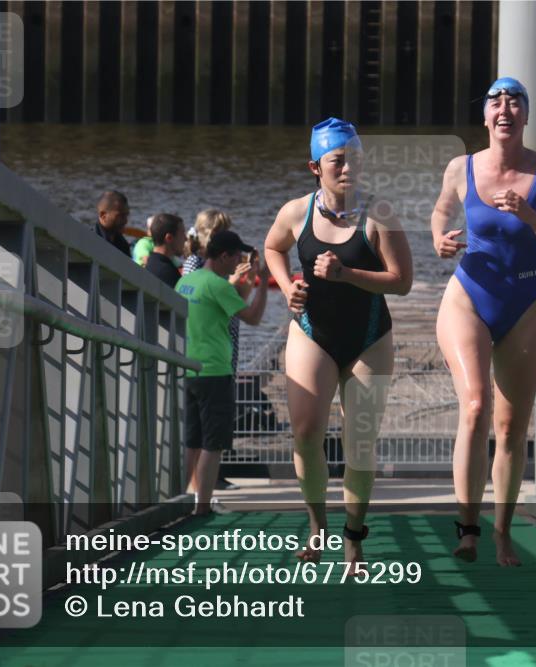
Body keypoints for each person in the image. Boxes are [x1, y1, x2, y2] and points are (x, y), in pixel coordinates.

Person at [430, 77, 536, 566]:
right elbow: (441, 212)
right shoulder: (461, 167)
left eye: (515, 103)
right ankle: (467, 529)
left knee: (512, 426)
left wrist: (531, 217)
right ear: (486, 118)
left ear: (525, 117)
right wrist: (440, 239)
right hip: (469, 298)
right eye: (495, 101)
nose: (505, 109)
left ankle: (501, 532)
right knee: (474, 406)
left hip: (526, 303)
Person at [265, 117, 413, 573]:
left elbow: (402, 282)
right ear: (316, 167)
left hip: (369, 338)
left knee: (360, 443)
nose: (348, 169)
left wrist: (347, 274)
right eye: (338, 161)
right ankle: (316, 526)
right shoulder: (296, 212)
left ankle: (354, 537)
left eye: (356, 160)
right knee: (307, 432)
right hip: (313, 332)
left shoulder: (380, 214)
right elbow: (272, 248)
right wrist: (285, 286)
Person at [177, 230, 269, 515]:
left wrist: (246, 281)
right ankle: (202, 506)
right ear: (224, 255)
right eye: (236, 258)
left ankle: (180, 501)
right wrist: (263, 281)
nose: (237, 263)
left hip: (187, 367)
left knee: (191, 441)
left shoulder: (185, 281)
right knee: (213, 443)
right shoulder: (217, 285)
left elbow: (233, 300)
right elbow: (252, 317)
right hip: (215, 370)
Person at [183, 209, 257, 491]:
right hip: (206, 355)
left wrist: (245, 282)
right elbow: (206, 300)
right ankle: (199, 488)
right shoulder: (196, 265)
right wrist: (234, 282)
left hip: (224, 347)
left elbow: (236, 303)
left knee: (214, 426)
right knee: (203, 429)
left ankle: (212, 477)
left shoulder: (215, 267)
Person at [145, 213, 186, 288]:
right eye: (182, 233)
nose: (185, 238)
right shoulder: (167, 273)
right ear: (169, 238)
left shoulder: (151, 263)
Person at [95, 190, 132, 256]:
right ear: (103, 215)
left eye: (126, 215)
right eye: (121, 216)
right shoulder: (89, 241)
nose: (126, 221)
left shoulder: (123, 245)